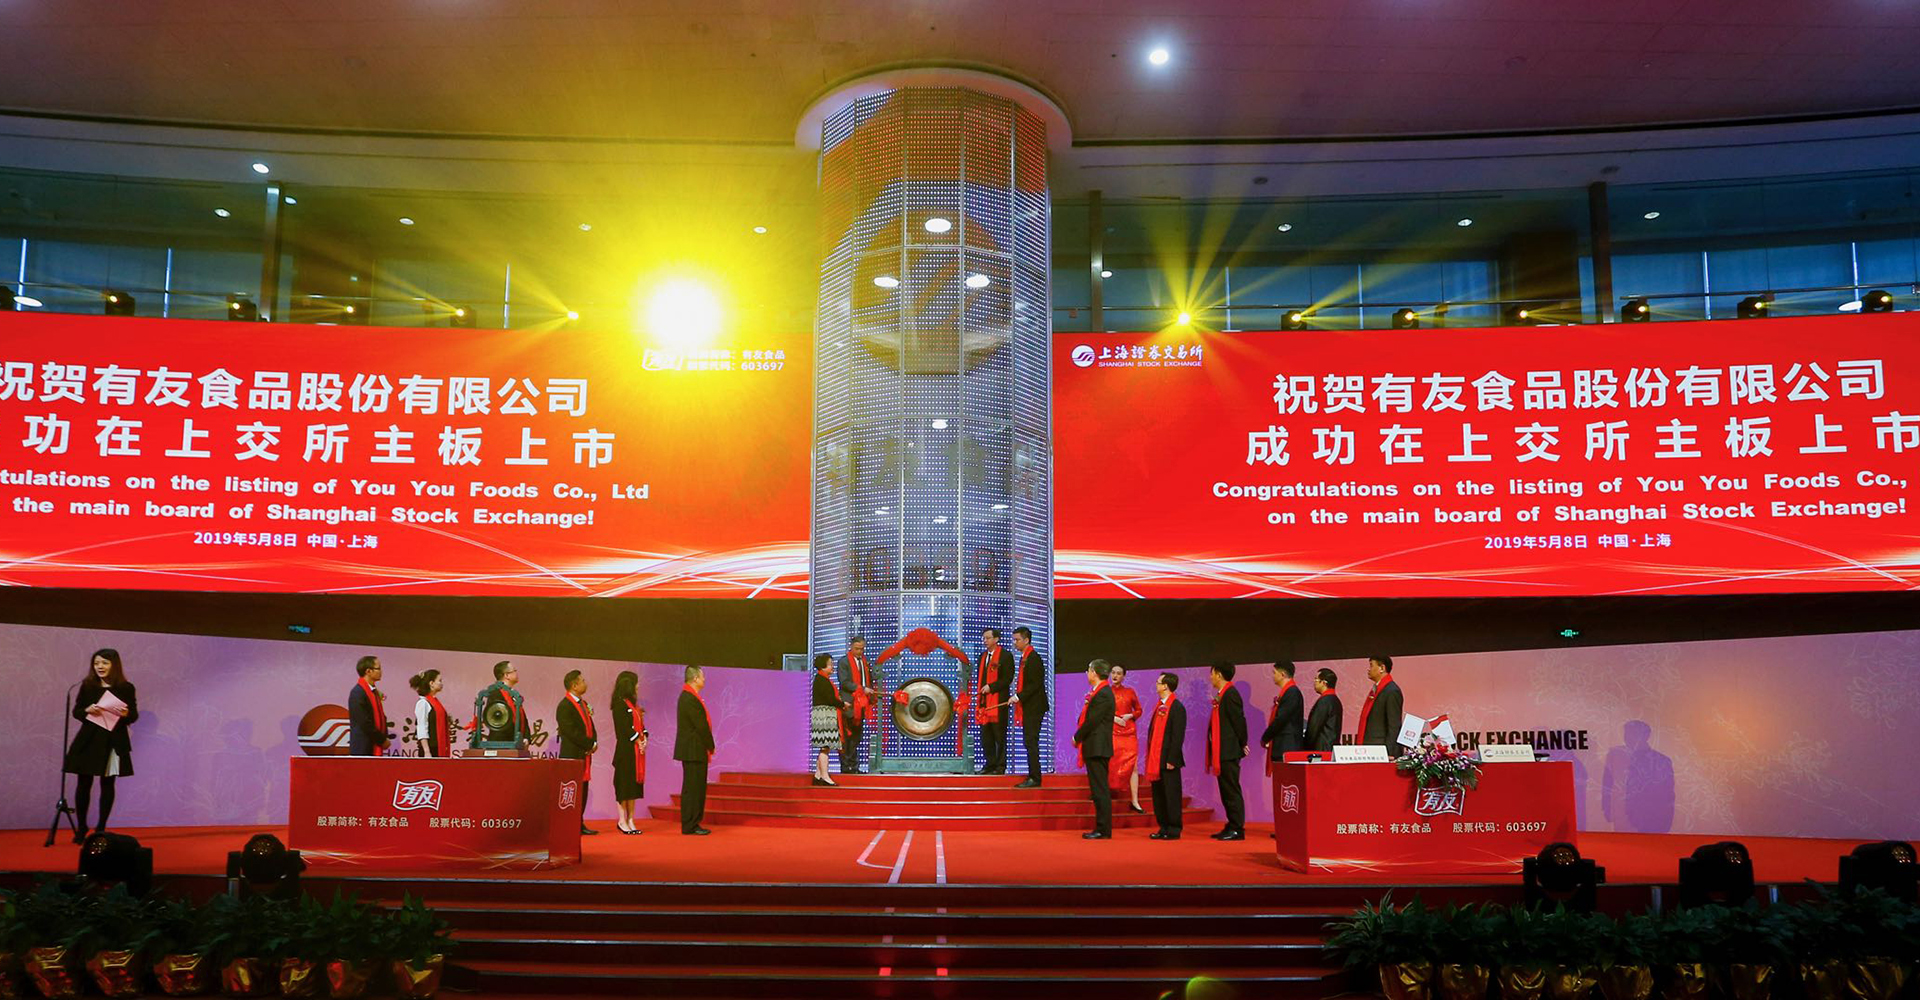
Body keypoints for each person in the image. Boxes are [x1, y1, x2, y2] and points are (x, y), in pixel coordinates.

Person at [63, 649, 137, 842]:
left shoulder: (126, 688)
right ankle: (81, 827)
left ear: (114, 665)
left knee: (108, 783)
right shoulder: (88, 686)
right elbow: (77, 712)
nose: (100, 667)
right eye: (96, 663)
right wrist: (87, 710)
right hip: (89, 740)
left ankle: (101, 827)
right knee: (83, 783)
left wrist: (126, 714)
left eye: (104, 663)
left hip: (113, 741)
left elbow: (133, 715)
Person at [1072, 659, 1116, 839]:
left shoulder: (1103, 693)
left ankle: (1103, 829)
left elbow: (1093, 721)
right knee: (1098, 789)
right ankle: (1101, 828)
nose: (1087, 673)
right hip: (1095, 746)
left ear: (1095, 673)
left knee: (1100, 789)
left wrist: (1077, 736)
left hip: (1098, 746)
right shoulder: (1100, 692)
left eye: (1089, 670)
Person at [1205, 662, 1248, 841]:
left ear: (1219, 675)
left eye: (1212, 673)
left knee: (1231, 790)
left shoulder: (1230, 694)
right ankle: (1231, 825)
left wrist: (1243, 743)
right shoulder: (1222, 694)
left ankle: (1237, 828)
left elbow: (1239, 721)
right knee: (1225, 790)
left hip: (1229, 750)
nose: (1210, 677)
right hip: (1222, 750)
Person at [555, 670, 599, 835]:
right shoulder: (564, 706)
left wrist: (593, 742)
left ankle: (579, 823)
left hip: (584, 754)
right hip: (572, 754)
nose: (585, 683)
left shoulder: (582, 703)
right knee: (571, 791)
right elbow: (570, 732)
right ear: (574, 685)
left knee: (583, 790)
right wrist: (589, 743)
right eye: (582, 680)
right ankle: (569, 824)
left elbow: (589, 726)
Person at [1144, 672, 1186, 840]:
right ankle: (1163, 827)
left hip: (1168, 759)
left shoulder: (1177, 707)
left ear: (1165, 686)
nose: (1156, 685)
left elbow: (1178, 736)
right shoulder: (1159, 706)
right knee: (1159, 796)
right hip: (1156, 759)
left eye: (1158, 682)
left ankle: (1174, 829)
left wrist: (1172, 759)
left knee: (1171, 795)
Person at [674, 665, 715, 835]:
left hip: (694, 749)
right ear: (695, 678)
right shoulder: (689, 698)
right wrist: (710, 745)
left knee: (694, 787)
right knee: (693, 788)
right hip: (693, 749)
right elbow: (701, 726)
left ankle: (692, 822)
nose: (704, 679)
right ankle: (690, 823)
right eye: (702, 676)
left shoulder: (689, 697)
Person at [1009, 626, 1049, 788]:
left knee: (1031, 741)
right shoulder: (1024, 658)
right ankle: (1033, 775)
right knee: (1029, 742)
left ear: (1026, 640)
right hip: (1029, 706)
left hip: (1034, 706)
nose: (1015, 643)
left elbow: (1035, 684)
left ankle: (1035, 777)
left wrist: (1018, 696)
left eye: (1017, 640)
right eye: (1014, 640)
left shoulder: (1033, 658)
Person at [610, 670, 647, 836]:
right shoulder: (619, 704)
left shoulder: (633, 705)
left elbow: (641, 726)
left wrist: (644, 737)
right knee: (623, 786)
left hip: (636, 753)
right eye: (636, 683)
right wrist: (637, 739)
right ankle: (621, 820)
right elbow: (623, 729)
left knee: (633, 786)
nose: (638, 686)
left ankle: (631, 819)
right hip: (625, 752)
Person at [975, 628, 1013, 774]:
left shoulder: (1005, 656)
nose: (985, 641)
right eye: (983, 638)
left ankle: (1000, 766)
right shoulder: (982, 656)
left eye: (988, 638)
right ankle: (989, 764)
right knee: (986, 737)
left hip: (998, 702)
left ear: (996, 639)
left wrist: (991, 687)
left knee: (999, 736)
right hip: (984, 703)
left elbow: (1007, 679)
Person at [836, 637, 876, 775]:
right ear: (851, 647)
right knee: (847, 737)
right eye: (857, 649)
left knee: (856, 738)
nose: (860, 651)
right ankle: (846, 767)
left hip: (862, 704)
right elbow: (844, 682)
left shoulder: (865, 661)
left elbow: (869, 680)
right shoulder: (844, 662)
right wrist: (862, 689)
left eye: (862, 649)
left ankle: (854, 767)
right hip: (849, 704)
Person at [1108, 664, 1144, 813]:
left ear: (1123, 676)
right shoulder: (1106, 692)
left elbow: (1139, 710)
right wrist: (1114, 718)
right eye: (1113, 672)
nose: (1115, 676)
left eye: (1118, 673)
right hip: (1112, 731)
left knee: (1133, 765)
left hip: (1128, 732)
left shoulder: (1130, 692)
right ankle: (1107, 792)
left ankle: (1135, 801)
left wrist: (1131, 715)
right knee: (1110, 761)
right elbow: (1099, 711)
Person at [1259, 660, 1305, 774]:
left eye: (1274, 673)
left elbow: (1281, 719)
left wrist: (1266, 737)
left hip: (1287, 747)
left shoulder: (1292, 692)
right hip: (1283, 746)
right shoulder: (1288, 692)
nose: (1273, 676)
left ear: (1283, 674)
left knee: (1286, 780)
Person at [471, 660, 529, 751]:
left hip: (516, 745)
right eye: (514, 671)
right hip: (500, 744)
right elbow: (498, 722)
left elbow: (522, 719)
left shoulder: (513, 695)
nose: (517, 673)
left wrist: (526, 737)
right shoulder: (496, 694)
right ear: (507, 675)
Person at [1357, 655, 1405, 756]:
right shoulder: (1378, 689)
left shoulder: (1391, 691)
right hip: (1370, 749)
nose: (1368, 669)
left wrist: (1388, 753)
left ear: (1382, 668)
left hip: (1381, 751)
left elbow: (1394, 726)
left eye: (1371, 665)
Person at [347, 656, 390, 756]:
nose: (381, 671)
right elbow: (364, 722)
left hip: (373, 744)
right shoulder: (358, 693)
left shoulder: (374, 692)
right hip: (363, 748)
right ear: (368, 671)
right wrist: (381, 740)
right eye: (378, 668)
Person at [810, 654, 842, 787]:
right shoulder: (822, 680)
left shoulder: (821, 679)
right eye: (830, 664)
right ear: (823, 666)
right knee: (825, 747)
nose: (832, 667)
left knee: (825, 747)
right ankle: (825, 777)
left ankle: (818, 775)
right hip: (824, 715)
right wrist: (842, 704)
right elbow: (830, 699)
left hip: (824, 714)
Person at [409, 669, 451, 758]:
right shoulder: (423, 703)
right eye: (439, 681)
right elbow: (422, 727)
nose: (441, 683)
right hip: (430, 749)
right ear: (431, 683)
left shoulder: (435, 702)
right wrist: (427, 751)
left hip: (438, 747)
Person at [1305, 668, 1344, 754]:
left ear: (1324, 683)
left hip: (1321, 750)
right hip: (1332, 749)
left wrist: (1305, 747)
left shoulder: (1324, 701)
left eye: (1316, 679)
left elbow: (1314, 728)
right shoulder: (1336, 701)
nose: (1314, 682)